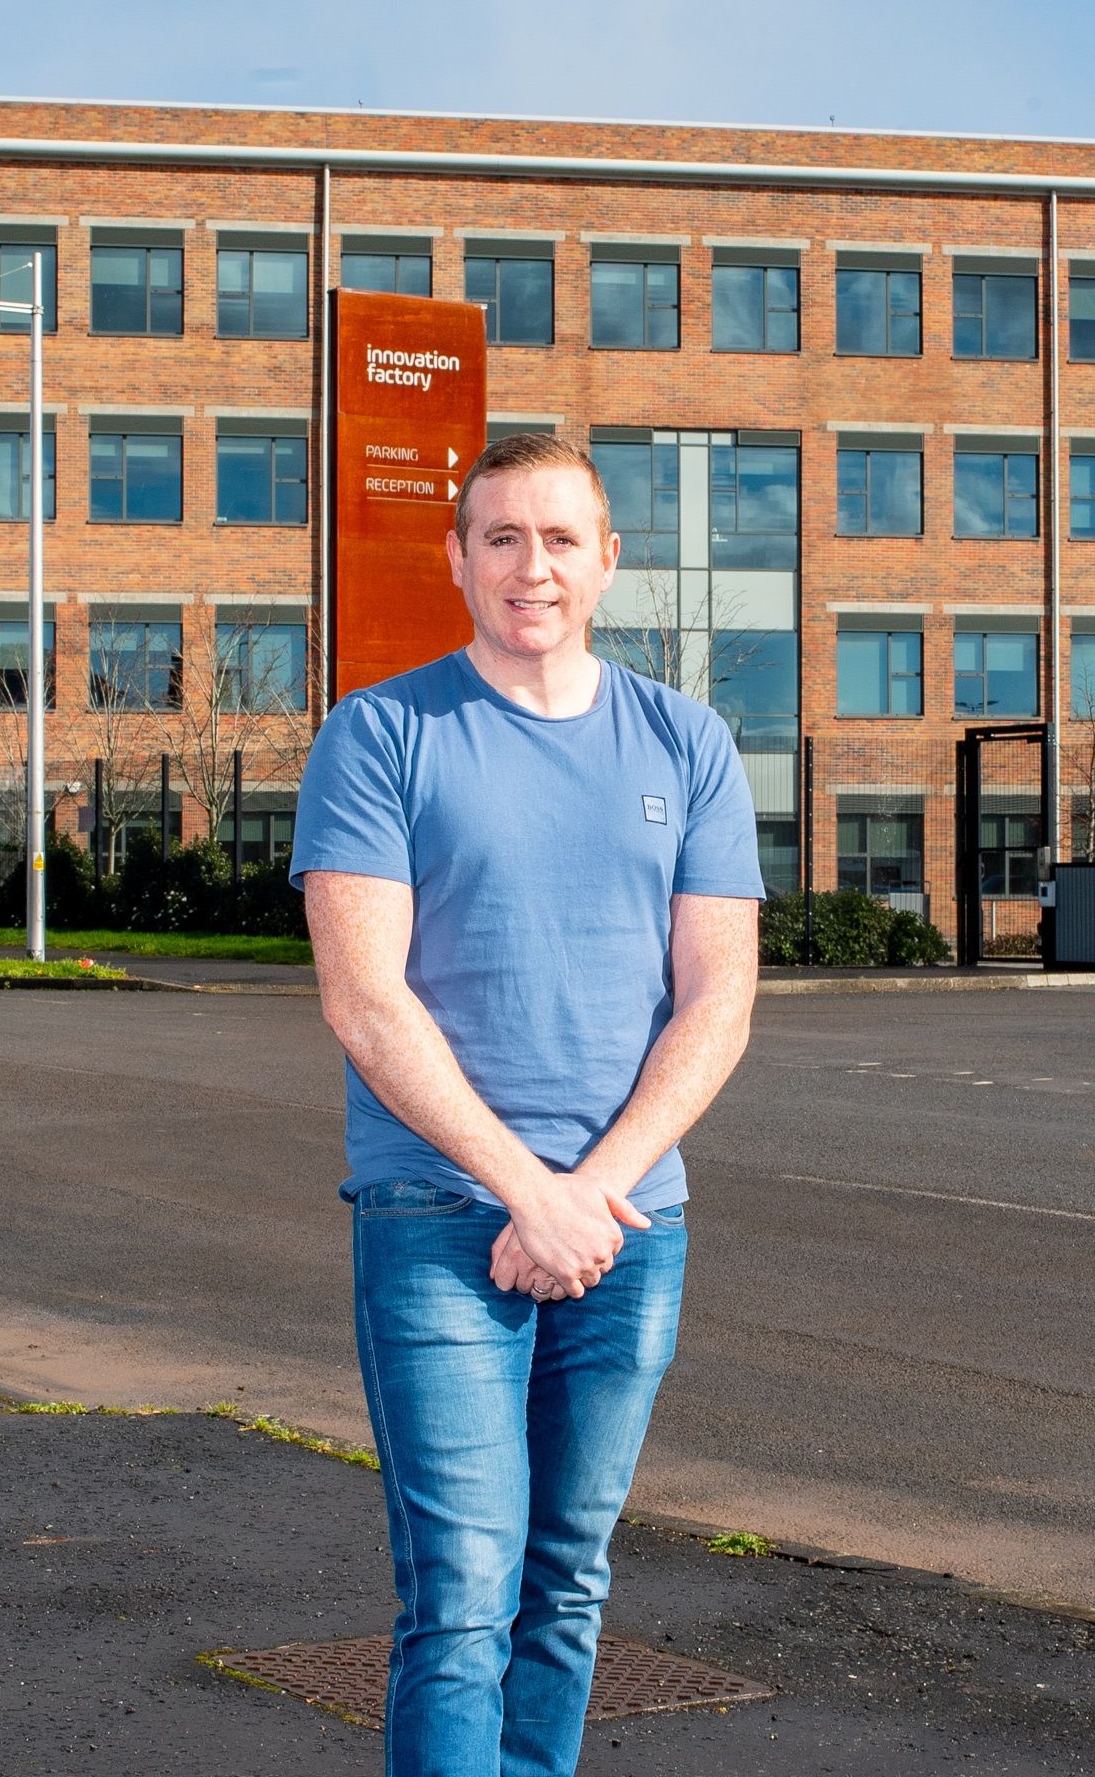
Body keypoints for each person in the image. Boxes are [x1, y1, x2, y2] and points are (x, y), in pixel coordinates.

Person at [293, 433, 763, 1774]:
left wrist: (588, 1192)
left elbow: (717, 1001)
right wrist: (525, 1190)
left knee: (566, 1581)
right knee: (459, 1596)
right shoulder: (382, 733)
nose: (532, 566)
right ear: (456, 560)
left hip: (628, 1227)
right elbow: (365, 999)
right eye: (501, 537)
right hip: (441, 1217)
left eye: (561, 539)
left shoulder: (688, 739)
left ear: (609, 561)